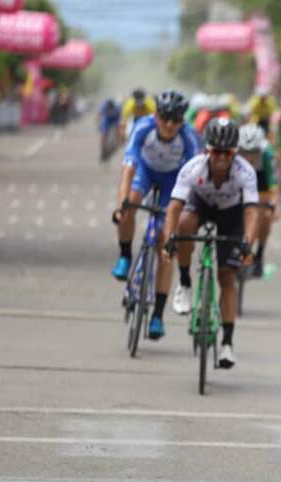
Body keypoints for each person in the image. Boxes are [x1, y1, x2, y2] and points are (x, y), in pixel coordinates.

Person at [163, 118, 258, 368]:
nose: (222, 158)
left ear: (234, 153)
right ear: (208, 150)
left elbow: (251, 212)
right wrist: (169, 239)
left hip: (231, 213)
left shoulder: (245, 172)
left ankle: (227, 343)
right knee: (184, 225)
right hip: (201, 204)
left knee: (227, 276)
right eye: (217, 151)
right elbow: (174, 207)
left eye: (228, 153)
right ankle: (184, 282)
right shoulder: (193, 168)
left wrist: (248, 243)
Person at [110, 90, 199, 340]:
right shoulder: (142, 127)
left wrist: (182, 215)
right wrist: (121, 207)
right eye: (164, 117)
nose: (169, 124)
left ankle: (158, 315)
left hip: (174, 179)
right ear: (156, 115)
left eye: (176, 119)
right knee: (132, 201)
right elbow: (128, 170)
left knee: (164, 242)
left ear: (183, 120)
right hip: (146, 173)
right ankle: (125, 255)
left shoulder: (189, 137)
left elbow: (193, 180)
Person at [237, 123, 279, 278]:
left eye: (253, 152)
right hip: (240, 180)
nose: (249, 157)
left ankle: (259, 255)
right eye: (244, 152)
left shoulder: (267, 154)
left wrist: (273, 205)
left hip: (261, 182)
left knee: (265, 215)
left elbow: (273, 184)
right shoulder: (233, 154)